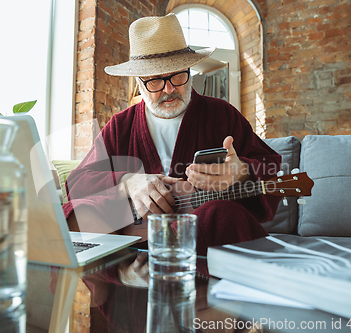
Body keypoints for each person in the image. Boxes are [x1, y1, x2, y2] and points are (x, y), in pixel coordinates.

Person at [62, 14, 281, 269]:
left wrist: (242, 172)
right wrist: (128, 182)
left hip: (201, 247)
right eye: (155, 80)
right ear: (139, 83)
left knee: (220, 215)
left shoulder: (222, 115)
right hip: (134, 254)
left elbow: (272, 172)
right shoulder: (120, 126)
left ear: (189, 70)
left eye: (178, 75)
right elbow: (77, 183)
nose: (169, 89)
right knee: (78, 214)